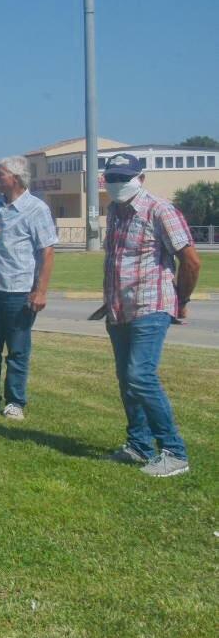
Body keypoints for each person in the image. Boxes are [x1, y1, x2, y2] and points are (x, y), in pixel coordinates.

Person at [99, 153, 202, 478]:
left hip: (151, 305)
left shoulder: (159, 210)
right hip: (119, 309)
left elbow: (191, 260)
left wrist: (181, 298)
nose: (117, 184)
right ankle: (138, 445)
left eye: (123, 178)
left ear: (140, 178)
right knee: (127, 381)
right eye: (111, 178)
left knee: (140, 376)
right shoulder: (114, 211)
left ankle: (174, 452)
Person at [0, 156, 57, 421]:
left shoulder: (36, 209)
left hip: (19, 290)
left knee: (17, 351)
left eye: (0, 174)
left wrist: (40, 291)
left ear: (16, 178)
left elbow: (47, 252)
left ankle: (15, 402)